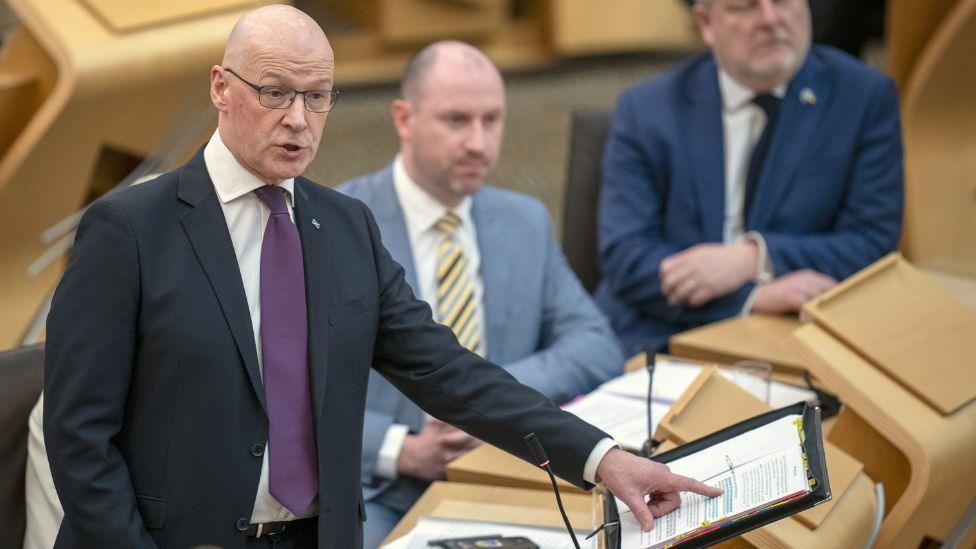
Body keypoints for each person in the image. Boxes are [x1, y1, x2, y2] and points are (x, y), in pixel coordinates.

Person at [42, 6, 719, 548]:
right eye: (275, 93)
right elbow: (79, 437)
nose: (298, 120)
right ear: (222, 87)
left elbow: (452, 374)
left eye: (318, 97)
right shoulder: (128, 229)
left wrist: (603, 458)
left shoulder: (345, 228)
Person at [338, 41, 624, 546]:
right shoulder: (338, 224)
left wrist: (485, 401)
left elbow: (596, 344)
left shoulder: (524, 220)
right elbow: (281, 388)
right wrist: (398, 448)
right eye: (456, 121)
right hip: (383, 488)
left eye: (491, 120)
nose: (478, 142)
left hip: (514, 470)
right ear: (404, 119)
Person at [595, 0, 903, 354]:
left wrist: (753, 258)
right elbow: (626, 256)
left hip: (801, 336)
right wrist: (753, 296)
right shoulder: (647, 110)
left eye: (784, 1)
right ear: (706, 23)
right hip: (663, 334)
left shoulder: (863, 97)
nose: (771, 20)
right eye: (744, 7)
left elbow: (872, 244)